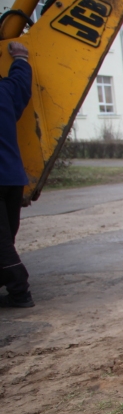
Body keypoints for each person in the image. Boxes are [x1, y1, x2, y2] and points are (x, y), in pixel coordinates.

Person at [0, 41, 33, 308]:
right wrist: (20, 58)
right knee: (7, 235)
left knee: (2, 242)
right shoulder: (5, 90)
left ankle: (20, 291)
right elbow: (21, 84)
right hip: (12, 177)